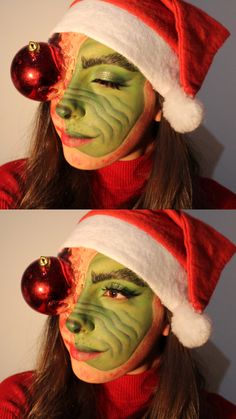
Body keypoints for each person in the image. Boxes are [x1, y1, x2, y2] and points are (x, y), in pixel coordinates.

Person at [0, 0, 236, 209]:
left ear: (162, 103)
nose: (63, 107)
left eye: (105, 80)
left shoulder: (221, 205)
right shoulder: (11, 190)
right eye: (57, 73)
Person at [0, 210, 235, 418]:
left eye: (113, 292)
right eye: (71, 285)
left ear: (169, 315)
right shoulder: (18, 404)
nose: (73, 322)